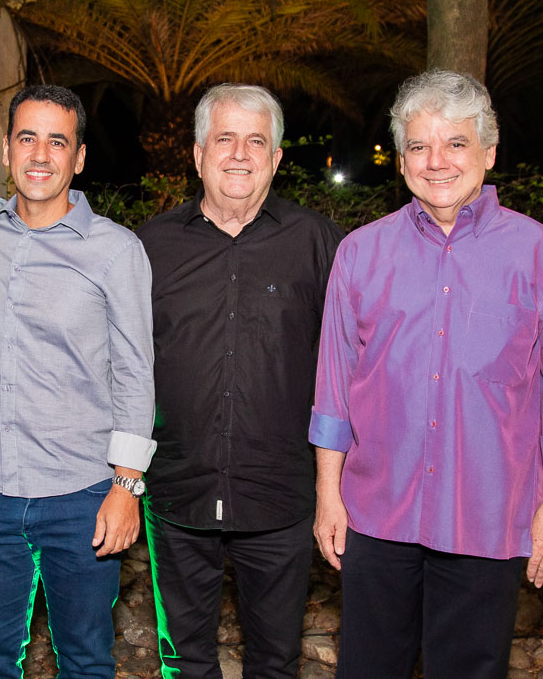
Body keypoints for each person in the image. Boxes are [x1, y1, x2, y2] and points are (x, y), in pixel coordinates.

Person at [310, 69, 543, 677]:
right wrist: (328, 495)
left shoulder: (539, 255)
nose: (436, 161)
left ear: (488, 152)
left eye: (456, 143)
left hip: (489, 518)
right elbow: (334, 389)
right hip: (376, 515)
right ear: (401, 161)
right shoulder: (359, 253)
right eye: (419, 146)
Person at [0, 85, 156, 678]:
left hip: (82, 495)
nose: (40, 155)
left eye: (57, 142)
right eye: (27, 138)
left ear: (79, 157)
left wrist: (127, 487)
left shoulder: (116, 250)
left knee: (86, 660)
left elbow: (135, 371)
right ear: (7, 152)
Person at [135, 84, 344, 677]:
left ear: (275, 159)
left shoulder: (320, 243)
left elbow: (350, 365)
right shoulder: (149, 246)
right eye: (224, 138)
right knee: (184, 659)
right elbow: (122, 364)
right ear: (198, 153)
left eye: (256, 141)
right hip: (178, 490)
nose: (239, 154)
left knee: (276, 659)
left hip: (280, 493)